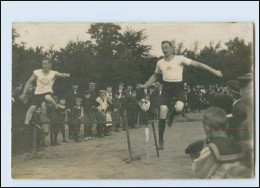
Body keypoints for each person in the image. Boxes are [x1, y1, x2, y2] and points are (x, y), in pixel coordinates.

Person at [137, 40, 223, 150]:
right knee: (163, 109)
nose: (164, 50)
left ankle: (172, 115)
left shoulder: (180, 59)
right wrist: (145, 85)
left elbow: (197, 64)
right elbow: (155, 76)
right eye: (163, 47)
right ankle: (161, 140)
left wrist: (214, 71)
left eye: (167, 47)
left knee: (179, 107)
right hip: (166, 89)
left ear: (172, 48)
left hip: (178, 88)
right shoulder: (160, 63)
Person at [192, 108, 249, 179]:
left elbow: (200, 174)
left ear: (207, 128)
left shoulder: (211, 149)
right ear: (227, 125)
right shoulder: (239, 146)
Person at [19, 59, 70, 135]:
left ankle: (57, 108)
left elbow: (61, 74)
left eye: (46, 64)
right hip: (38, 93)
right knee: (32, 108)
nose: (44, 66)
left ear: (50, 65)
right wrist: (23, 93)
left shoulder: (53, 73)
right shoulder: (36, 72)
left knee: (47, 97)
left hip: (47, 92)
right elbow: (29, 82)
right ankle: (25, 125)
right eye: (43, 64)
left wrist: (66, 75)